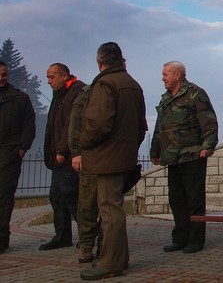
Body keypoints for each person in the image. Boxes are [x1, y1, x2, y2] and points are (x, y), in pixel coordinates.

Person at [78, 42, 147, 280]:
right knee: (114, 207)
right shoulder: (133, 85)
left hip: (105, 158)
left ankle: (109, 263)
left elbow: (97, 124)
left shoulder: (105, 84)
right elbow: (141, 127)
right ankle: (120, 258)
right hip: (124, 156)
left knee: (109, 210)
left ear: (100, 62)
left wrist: (82, 142)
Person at [150, 61, 218, 255]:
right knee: (176, 199)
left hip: (192, 156)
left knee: (194, 200)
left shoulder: (195, 93)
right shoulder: (166, 98)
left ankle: (196, 240)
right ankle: (180, 238)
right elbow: (160, 127)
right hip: (172, 157)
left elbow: (209, 123)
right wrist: (155, 150)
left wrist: (207, 146)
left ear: (177, 75)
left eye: (165, 74)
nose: (162, 78)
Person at [40, 63, 85, 251]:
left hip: (70, 155)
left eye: (52, 77)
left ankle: (89, 234)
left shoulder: (78, 91)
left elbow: (72, 125)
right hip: (58, 157)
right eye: (48, 77)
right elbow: (53, 126)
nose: (49, 81)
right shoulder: (59, 94)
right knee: (56, 195)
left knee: (71, 194)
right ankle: (62, 236)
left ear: (64, 76)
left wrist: (62, 150)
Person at [0, 60, 36, 255]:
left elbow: (29, 126)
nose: (2, 78)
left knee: (4, 199)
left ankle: (1, 240)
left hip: (9, 156)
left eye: (4, 74)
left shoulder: (20, 99)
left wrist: (22, 149)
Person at [69, 83, 102, 264]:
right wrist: (76, 152)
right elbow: (76, 123)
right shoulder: (89, 92)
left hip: (113, 158)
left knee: (109, 207)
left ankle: (106, 244)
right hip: (91, 156)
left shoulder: (125, 88)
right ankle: (87, 244)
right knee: (87, 203)